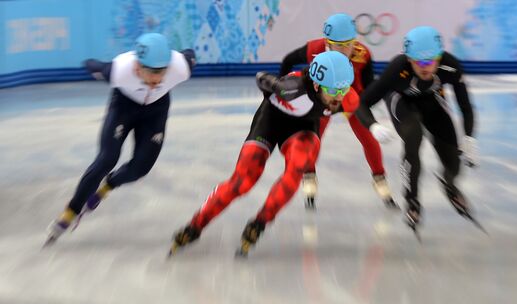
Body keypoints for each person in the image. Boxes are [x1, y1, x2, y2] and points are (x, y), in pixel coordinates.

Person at [169, 51, 358, 257]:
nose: (339, 96)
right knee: (242, 182)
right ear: (316, 85)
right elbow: (260, 77)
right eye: (333, 90)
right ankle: (195, 226)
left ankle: (260, 223)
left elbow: (360, 108)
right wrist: (276, 86)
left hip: (303, 127)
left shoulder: (346, 98)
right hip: (270, 121)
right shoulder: (293, 90)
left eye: (344, 88)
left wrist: (373, 126)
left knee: (297, 168)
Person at [45, 33, 196, 246]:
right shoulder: (118, 70)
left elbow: (190, 54)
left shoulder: (181, 67)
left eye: (162, 74)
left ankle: (108, 187)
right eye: (151, 74)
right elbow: (92, 65)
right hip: (123, 107)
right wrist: (86, 63)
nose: (156, 81)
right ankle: (71, 211)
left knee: (140, 168)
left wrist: (185, 56)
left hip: (156, 111)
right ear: (137, 66)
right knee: (106, 160)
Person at [355, 26, 479, 235]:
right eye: (419, 62)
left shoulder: (451, 66)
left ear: (439, 58)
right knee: (414, 137)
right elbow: (362, 103)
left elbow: (465, 106)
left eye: (431, 61)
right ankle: (412, 200)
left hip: (432, 101)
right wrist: (373, 125)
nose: (425, 67)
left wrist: (468, 138)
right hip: (401, 102)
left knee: (453, 159)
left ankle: (449, 185)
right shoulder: (397, 68)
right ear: (409, 59)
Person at [280, 13, 397, 209]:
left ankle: (379, 177)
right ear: (327, 42)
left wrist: (370, 113)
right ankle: (309, 174)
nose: (346, 49)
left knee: (369, 138)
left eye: (350, 43)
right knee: (313, 138)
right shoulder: (314, 49)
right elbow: (288, 61)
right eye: (340, 44)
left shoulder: (363, 53)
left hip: (352, 99)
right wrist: (282, 88)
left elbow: (368, 87)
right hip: (324, 100)